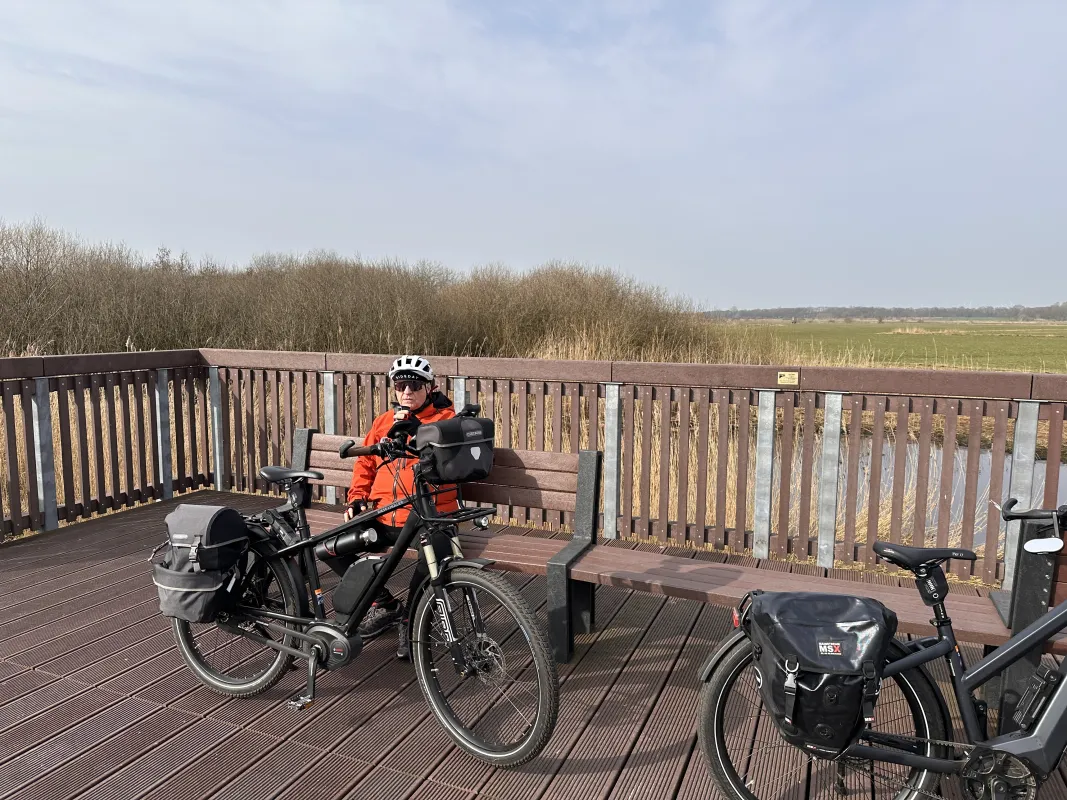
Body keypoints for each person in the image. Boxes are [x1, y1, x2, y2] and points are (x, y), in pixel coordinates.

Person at [342, 354, 459, 660]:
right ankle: (385, 605)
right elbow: (365, 463)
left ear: (430, 387)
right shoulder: (383, 421)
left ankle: (411, 624)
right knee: (331, 547)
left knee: (432, 560)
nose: (407, 391)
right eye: (400, 384)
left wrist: (415, 426)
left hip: (429, 517)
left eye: (415, 384)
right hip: (383, 514)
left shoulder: (447, 420)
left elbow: (446, 457)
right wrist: (356, 497)